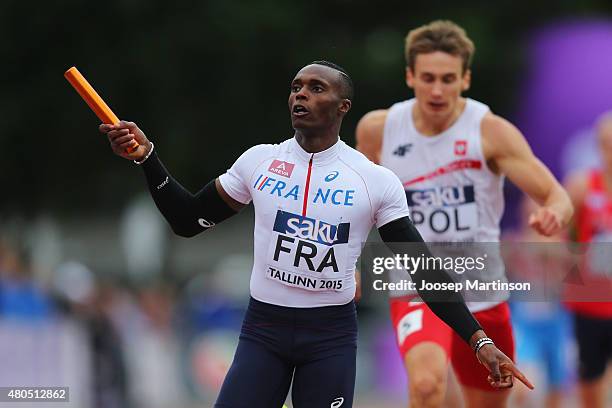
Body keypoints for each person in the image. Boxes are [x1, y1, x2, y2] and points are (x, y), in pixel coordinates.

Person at [100, 60, 531, 408]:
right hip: (264, 331)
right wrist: (147, 158)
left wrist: (479, 340)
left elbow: (422, 271)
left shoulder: (373, 180)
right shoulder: (259, 162)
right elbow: (187, 221)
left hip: (329, 337)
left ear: (343, 107)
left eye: (316, 88)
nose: (300, 94)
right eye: (296, 87)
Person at [356, 21, 572, 408]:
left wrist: (553, 213)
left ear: (466, 79)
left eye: (448, 78)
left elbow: (555, 195)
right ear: (410, 76)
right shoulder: (379, 130)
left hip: (481, 289)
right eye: (427, 78)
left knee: (487, 403)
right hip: (417, 283)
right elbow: (352, 204)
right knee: (425, 386)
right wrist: (347, 262)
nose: (437, 90)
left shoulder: (490, 132)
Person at [564, 112, 612, 408]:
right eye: (606, 144)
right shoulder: (581, 186)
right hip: (590, 304)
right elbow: (558, 233)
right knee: (590, 376)